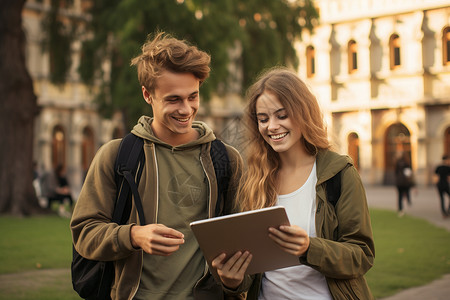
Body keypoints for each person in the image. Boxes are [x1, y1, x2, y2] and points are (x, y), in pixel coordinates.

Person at [70, 31, 247, 299]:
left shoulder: (227, 160)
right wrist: (133, 236)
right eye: (173, 99)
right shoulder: (116, 155)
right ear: (147, 95)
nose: (186, 109)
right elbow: (84, 232)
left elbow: (244, 244)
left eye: (193, 96)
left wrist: (234, 282)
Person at [212, 67, 375, 299]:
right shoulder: (254, 179)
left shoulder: (339, 172)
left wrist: (310, 248)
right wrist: (233, 281)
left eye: (282, 115)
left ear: (303, 113)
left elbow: (362, 255)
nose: (272, 126)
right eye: (263, 119)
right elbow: (251, 269)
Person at [394, 152, 415, 217]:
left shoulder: (397, 162)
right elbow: (409, 173)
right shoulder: (407, 163)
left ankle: (400, 209)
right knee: (406, 191)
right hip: (405, 182)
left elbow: (396, 172)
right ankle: (408, 200)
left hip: (399, 182)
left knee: (399, 196)